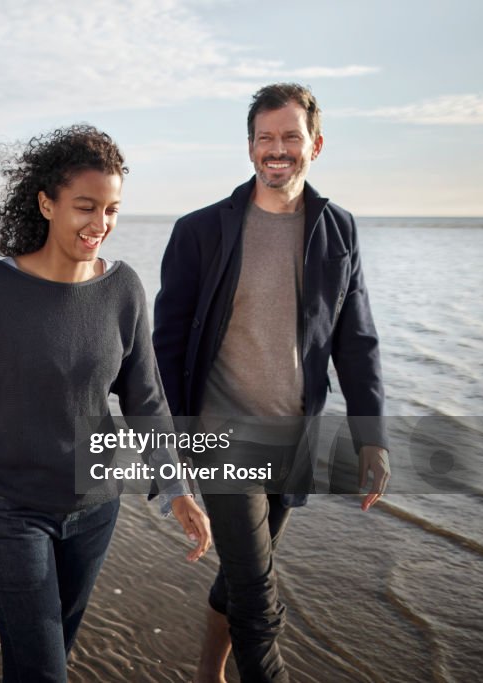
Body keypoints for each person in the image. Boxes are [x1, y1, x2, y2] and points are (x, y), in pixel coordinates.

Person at [0, 125, 212, 682]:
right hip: (9, 511)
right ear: (46, 203)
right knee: (45, 671)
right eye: (85, 206)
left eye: (112, 209)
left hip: (95, 510)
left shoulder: (123, 289)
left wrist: (178, 489)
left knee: (44, 660)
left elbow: (146, 398)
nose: (100, 223)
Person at [152, 83, 391, 682]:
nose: (276, 149)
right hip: (220, 435)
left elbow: (356, 340)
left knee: (242, 573)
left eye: (290, 137)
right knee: (260, 604)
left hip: (291, 437)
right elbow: (166, 346)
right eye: (265, 138)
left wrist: (371, 436)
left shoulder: (338, 230)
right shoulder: (200, 231)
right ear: (250, 146)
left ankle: (207, 673)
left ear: (316, 144)